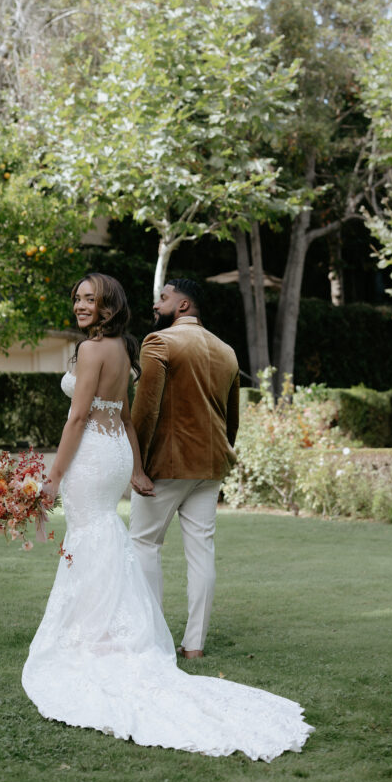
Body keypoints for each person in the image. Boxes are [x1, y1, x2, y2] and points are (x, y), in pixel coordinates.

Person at [22, 273, 313, 759]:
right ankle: (150, 636)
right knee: (132, 540)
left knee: (116, 540)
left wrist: (53, 476)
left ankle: (108, 635)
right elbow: (131, 411)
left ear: (111, 305)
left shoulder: (113, 348)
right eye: (78, 299)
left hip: (107, 455)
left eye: (90, 299)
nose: (80, 305)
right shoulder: (150, 350)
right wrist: (135, 464)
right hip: (140, 454)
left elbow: (90, 417)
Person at [129, 278, 239, 659]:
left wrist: (135, 463)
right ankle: (194, 645)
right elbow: (232, 418)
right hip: (211, 467)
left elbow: (145, 409)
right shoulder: (227, 351)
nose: (156, 304)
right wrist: (220, 457)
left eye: (164, 297)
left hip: (167, 465)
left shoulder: (159, 342)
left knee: (143, 543)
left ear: (184, 306)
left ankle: (153, 639)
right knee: (201, 553)